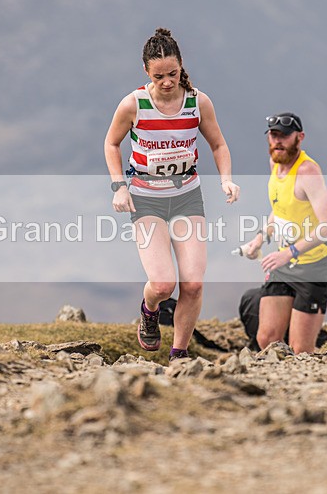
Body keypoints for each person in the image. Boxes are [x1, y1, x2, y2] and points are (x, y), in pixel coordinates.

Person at [103, 28, 240, 361]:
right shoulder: (133, 104)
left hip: (187, 197)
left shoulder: (198, 102)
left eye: (173, 74)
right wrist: (119, 186)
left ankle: (178, 355)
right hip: (146, 198)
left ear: (182, 67)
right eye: (159, 76)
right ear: (146, 74)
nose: (167, 82)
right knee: (163, 285)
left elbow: (218, 144)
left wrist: (226, 180)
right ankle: (149, 310)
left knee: (192, 285)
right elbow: (111, 143)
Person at [240, 112, 327, 354]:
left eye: (284, 136)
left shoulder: (307, 172)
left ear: (300, 137)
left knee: (300, 351)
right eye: (273, 136)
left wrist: (290, 252)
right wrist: (260, 239)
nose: (278, 142)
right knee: (267, 339)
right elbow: (280, 209)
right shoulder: (275, 163)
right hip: (284, 266)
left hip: (314, 268)